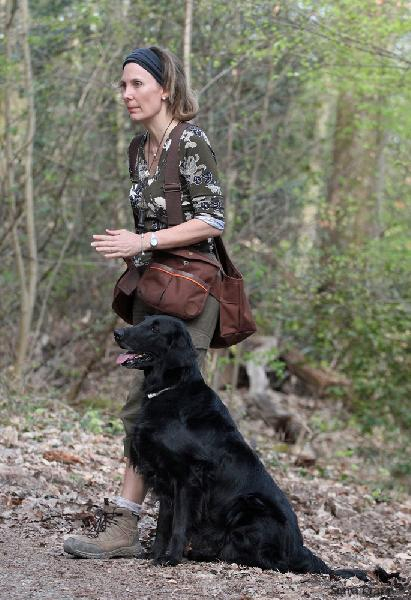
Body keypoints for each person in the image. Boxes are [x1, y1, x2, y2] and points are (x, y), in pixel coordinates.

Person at [63, 46, 224, 558]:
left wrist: (143, 241)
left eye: (137, 84)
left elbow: (212, 220)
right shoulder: (138, 149)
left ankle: (153, 526)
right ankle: (152, 527)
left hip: (191, 296)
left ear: (166, 88)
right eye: (123, 85)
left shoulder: (191, 142)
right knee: (145, 409)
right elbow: (151, 224)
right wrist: (133, 248)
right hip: (151, 288)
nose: (127, 94)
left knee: (168, 407)